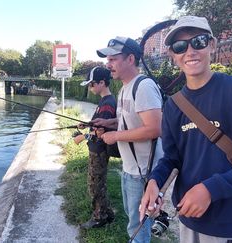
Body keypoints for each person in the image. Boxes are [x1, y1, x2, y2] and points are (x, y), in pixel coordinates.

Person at [140, 16, 232, 242]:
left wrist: (210, 189)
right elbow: (172, 158)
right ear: (173, 55)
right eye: (179, 46)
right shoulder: (173, 105)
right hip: (189, 220)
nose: (190, 51)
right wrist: (154, 182)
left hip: (231, 223)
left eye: (199, 41)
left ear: (212, 45)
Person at [92, 36, 164, 242]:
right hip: (131, 168)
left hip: (143, 171)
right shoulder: (125, 88)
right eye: (108, 60)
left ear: (130, 59)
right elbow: (131, 122)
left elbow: (154, 128)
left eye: (113, 59)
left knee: (137, 224)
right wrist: (110, 123)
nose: (108, 64)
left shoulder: (143, 87)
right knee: (135, 218)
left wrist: (115, 136)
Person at [73, 66, 116, 229]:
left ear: (102, 83)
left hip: (99, 151)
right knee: (100, 183)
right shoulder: (105, 101)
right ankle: (107, 213)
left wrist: (81, 137)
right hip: (97, 150)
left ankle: (99, 218)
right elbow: (98, 124)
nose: (89, 87)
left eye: (91, 84)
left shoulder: (107, 103)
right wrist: (87, 124)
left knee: (95, 185)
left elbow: (101, 133)